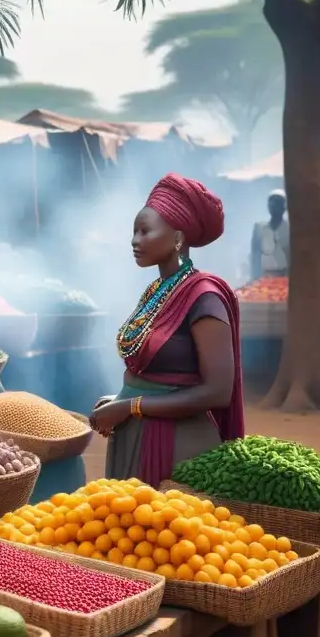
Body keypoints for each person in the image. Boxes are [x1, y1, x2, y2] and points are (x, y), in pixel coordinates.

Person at [90, 173, 244, 486]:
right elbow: (156, 376)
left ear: (177, 238)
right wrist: (121, 397)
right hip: (136, 433)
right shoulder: (157, 290)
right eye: (134, 231)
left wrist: (130, 406)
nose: (135, 241)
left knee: (160, 529)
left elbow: (217, 392)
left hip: (175, 446)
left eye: (145, 231)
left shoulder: (204, 298)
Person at [250, 190, 289, 279]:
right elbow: (255, 256)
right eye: (272, 202)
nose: (274, 206)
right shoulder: (259, 229)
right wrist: (254, 278)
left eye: (278, 203)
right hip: (265, 276)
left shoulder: (290, 229)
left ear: (284, 207)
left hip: (285, 276)